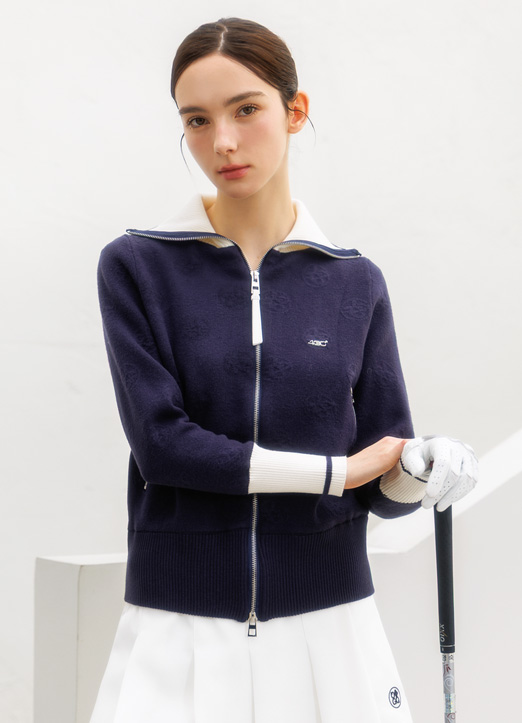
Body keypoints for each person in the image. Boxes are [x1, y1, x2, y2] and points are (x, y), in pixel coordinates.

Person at [90, 17, 478, 723]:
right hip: (180, 631)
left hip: (332, 628)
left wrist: (419, 468)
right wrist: (338, 472)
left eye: (246, 109)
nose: (223, 142)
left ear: (295, 111)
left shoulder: (355, 281)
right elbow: (163, 446)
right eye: (197, 120)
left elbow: (382, 485)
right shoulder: (137, 267)